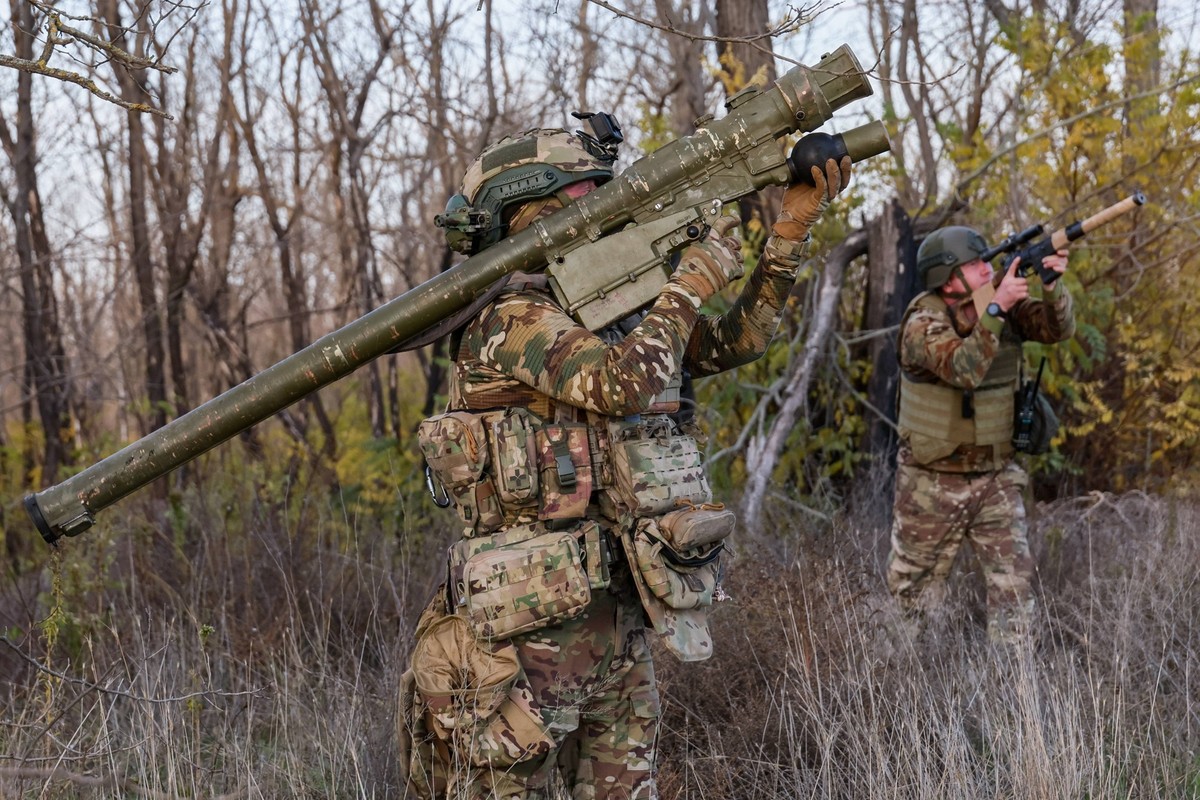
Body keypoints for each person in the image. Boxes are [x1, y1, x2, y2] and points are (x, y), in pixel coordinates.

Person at [398, 125, 852, 799]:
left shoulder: (610, 306)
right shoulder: (510, 318)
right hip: (525, 639)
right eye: (586, 193)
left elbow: (736, 341)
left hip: (617, 615)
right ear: (529, 208)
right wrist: (692, 278)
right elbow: (618, 384)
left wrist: (789, 229)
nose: (605, 205)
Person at [886, 225, 1074, 643]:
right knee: (911, 598)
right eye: (974, 265)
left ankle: (1013, 698)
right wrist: (998, 307)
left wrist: (1052, 287)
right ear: (947, 278)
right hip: (930, 483)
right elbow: (964, 369)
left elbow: (1056, 330)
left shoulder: (997, 305)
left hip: (995, 476)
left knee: (1014, 594)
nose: (987, 270)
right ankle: (889, 695)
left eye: (986, 260)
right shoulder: (922, 323)